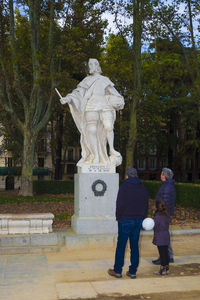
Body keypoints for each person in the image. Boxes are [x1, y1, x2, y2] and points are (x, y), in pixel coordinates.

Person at [59, 58, 124, 167]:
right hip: (90, 106)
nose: (90, 66)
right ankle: (95, 155)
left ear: (97, 65)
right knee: (91, 131)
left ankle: (111, 149)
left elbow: (115, 94)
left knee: (108, 127)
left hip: (104, 106)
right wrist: (68, 99)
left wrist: (118, 101)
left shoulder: (104, 80)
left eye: (92, 64)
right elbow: (77, 93)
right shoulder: (86, 80)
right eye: (89, 64)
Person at [108, 168, 149, 279]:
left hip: (125, 220)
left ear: (127, 176)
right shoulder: (142, 187)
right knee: (134, 246)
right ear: (136, 176)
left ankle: (117, 270)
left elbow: (120, 204)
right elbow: (146, 204)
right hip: (138, 220)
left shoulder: (124, 187)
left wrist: (118, 217)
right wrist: (143, 218)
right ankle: (133, 271)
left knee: (121, 245)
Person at [152, 168, 176, 265]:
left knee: (162, 236)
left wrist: (158, 212)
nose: (161, 176)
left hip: (163, 215)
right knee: (164, 235)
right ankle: (168, 256)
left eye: (162, 174)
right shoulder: (167, 186)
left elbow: (164, 202)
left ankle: (164, 257)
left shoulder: (167, 187)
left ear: (166, 176)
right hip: (165, 214)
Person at [153, 199, 171, 276]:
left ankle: (162, 269)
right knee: (166, 252)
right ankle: (167, 268)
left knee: (162, 253)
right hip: (166, 236)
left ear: (157, 207)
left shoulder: (157, 217)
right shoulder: (167, 215)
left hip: (160, 237)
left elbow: (155, 226)